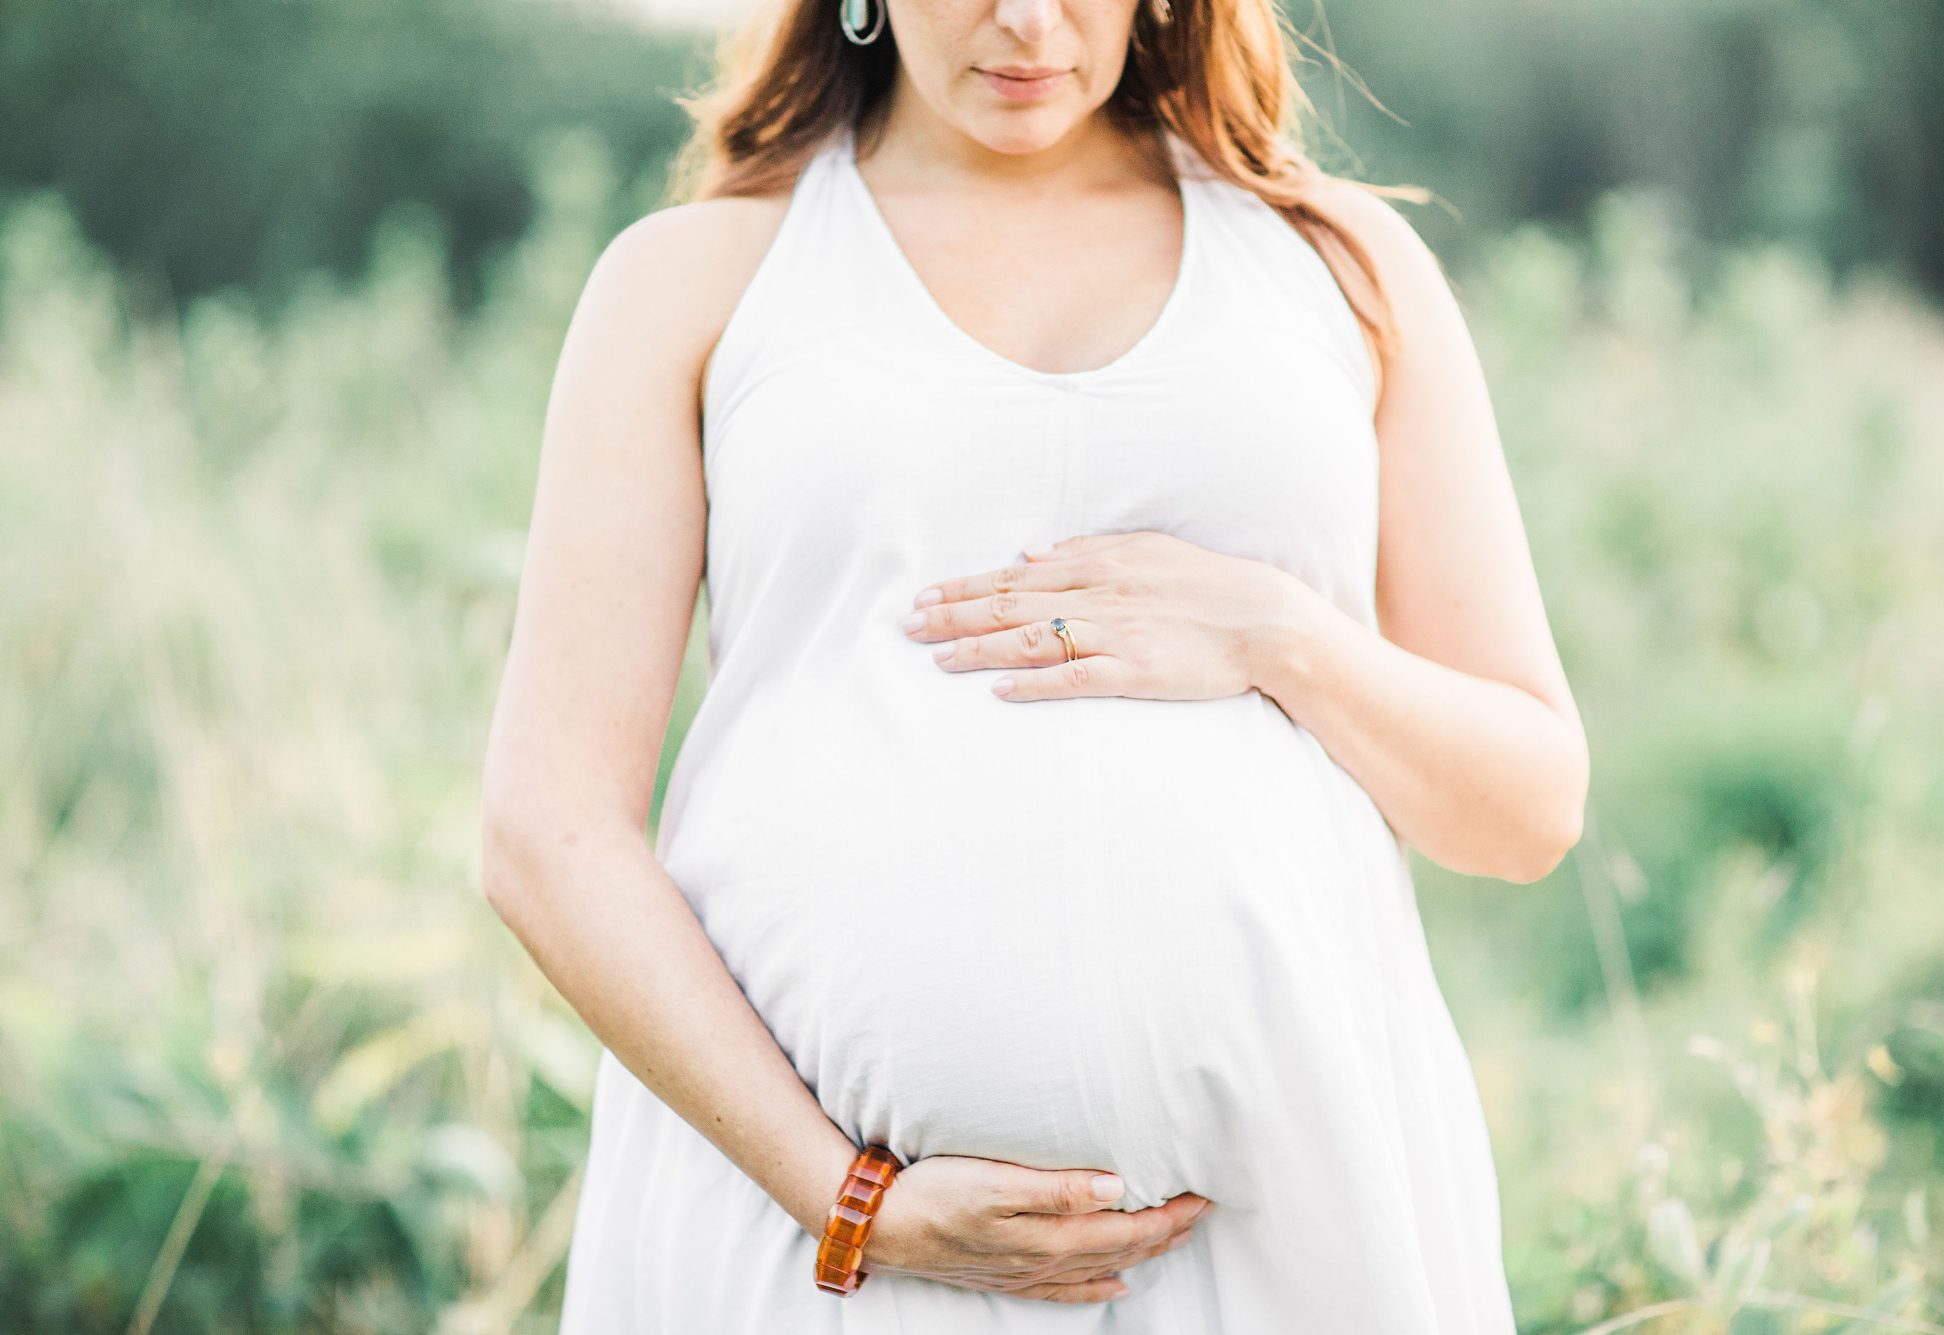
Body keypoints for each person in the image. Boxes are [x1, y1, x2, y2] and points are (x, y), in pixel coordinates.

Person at [477, 0, 1590, 1322]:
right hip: (818, 1256)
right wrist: (842, 1195)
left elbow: (1528, 808)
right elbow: (545, 832)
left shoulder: (1337, 268)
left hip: (1289, 1234)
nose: (1022, 21)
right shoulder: (699, 279)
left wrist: (1273, 636)